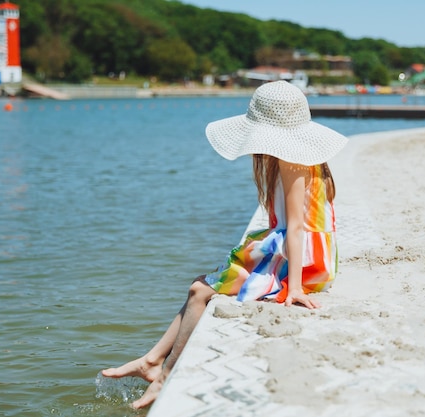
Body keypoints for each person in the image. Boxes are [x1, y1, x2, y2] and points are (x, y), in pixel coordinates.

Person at [101, 80, 348, 409]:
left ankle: (163, 376)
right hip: (299, 249)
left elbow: (299, 227)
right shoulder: (298, 158)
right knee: (200, 286)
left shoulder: (292, 162)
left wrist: (295, 289)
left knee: (200, 291)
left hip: (304, 258)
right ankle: (152, 360)